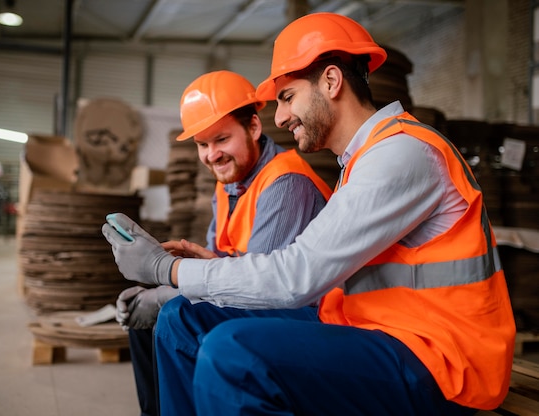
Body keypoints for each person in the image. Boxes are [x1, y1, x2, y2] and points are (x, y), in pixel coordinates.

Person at [102, 13, 516, 415]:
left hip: (445, 362)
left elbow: (297, 277)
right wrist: (198, 276)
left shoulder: (402, 154)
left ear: (332, 81)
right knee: (182, 319)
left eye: (287, 97)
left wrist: (167, 271)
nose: (280, 117)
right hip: (378, 332)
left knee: (233, 354)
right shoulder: (362, 160)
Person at [114, 69, 332, 416]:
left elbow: (264, 289)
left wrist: (167, 290)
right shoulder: (230, 182)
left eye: (221, 139)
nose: (212, 155)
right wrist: (161, 286)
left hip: (308, 312)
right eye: (202, 144)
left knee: (176, 314)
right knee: (149, 323)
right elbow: (229, 259)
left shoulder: (285, 183)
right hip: (258, 296)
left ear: (254, 128)